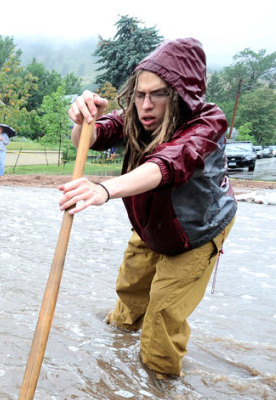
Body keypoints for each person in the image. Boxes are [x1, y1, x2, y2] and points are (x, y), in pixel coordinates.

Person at [58, 38, 237, 379]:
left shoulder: (207, 124)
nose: (145, 105)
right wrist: (84, 121)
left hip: (194, 234)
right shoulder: (137, 116)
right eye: (140, 95)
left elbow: (167, 165)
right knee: (128, 299)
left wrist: (104, 189)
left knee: (160, 327)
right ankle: (119, 376)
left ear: (181, 94)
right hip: (151, 225)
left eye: (158, 95)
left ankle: (157, 399)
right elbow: (93, 137)